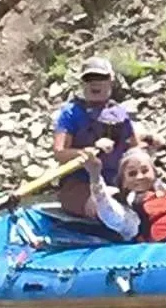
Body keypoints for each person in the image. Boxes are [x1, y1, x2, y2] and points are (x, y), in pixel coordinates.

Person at [83, 126, 166, 242]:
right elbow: (109, 213)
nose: (140, 177)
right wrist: (95, 176)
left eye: (145, 170)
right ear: (123, 183)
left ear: (154, 174)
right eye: (132, 174)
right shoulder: (131, 215)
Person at [53, 56, 139, 218]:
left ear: (110, 81)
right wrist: (86, 153)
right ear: (83, 83)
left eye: (101, 78)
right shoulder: (70, 113)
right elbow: (59, 152)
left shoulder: (120, 113)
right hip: (80, 183)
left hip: (115, 181)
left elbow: (135, 147)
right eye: (89, 78)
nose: (95, 83)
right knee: (101, 205)